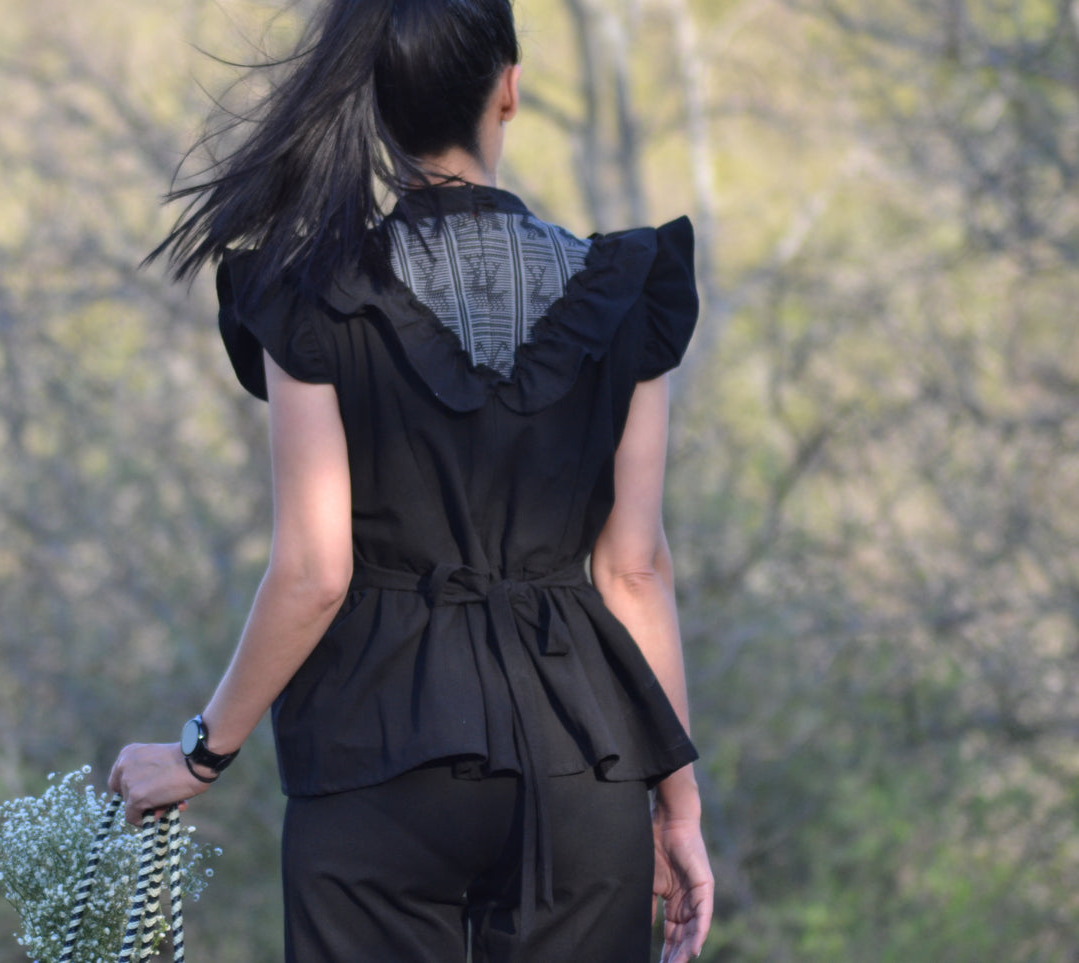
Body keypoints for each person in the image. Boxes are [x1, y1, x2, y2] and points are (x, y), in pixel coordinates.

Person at [108, 1, 713, 960]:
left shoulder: (311, 292)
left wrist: (200, 751)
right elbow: (632, 569)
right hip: (584, 753)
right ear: (507, 89)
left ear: (375, 104)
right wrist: (676, 802)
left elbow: (316, 571)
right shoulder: (627, 286)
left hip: (376, 754)